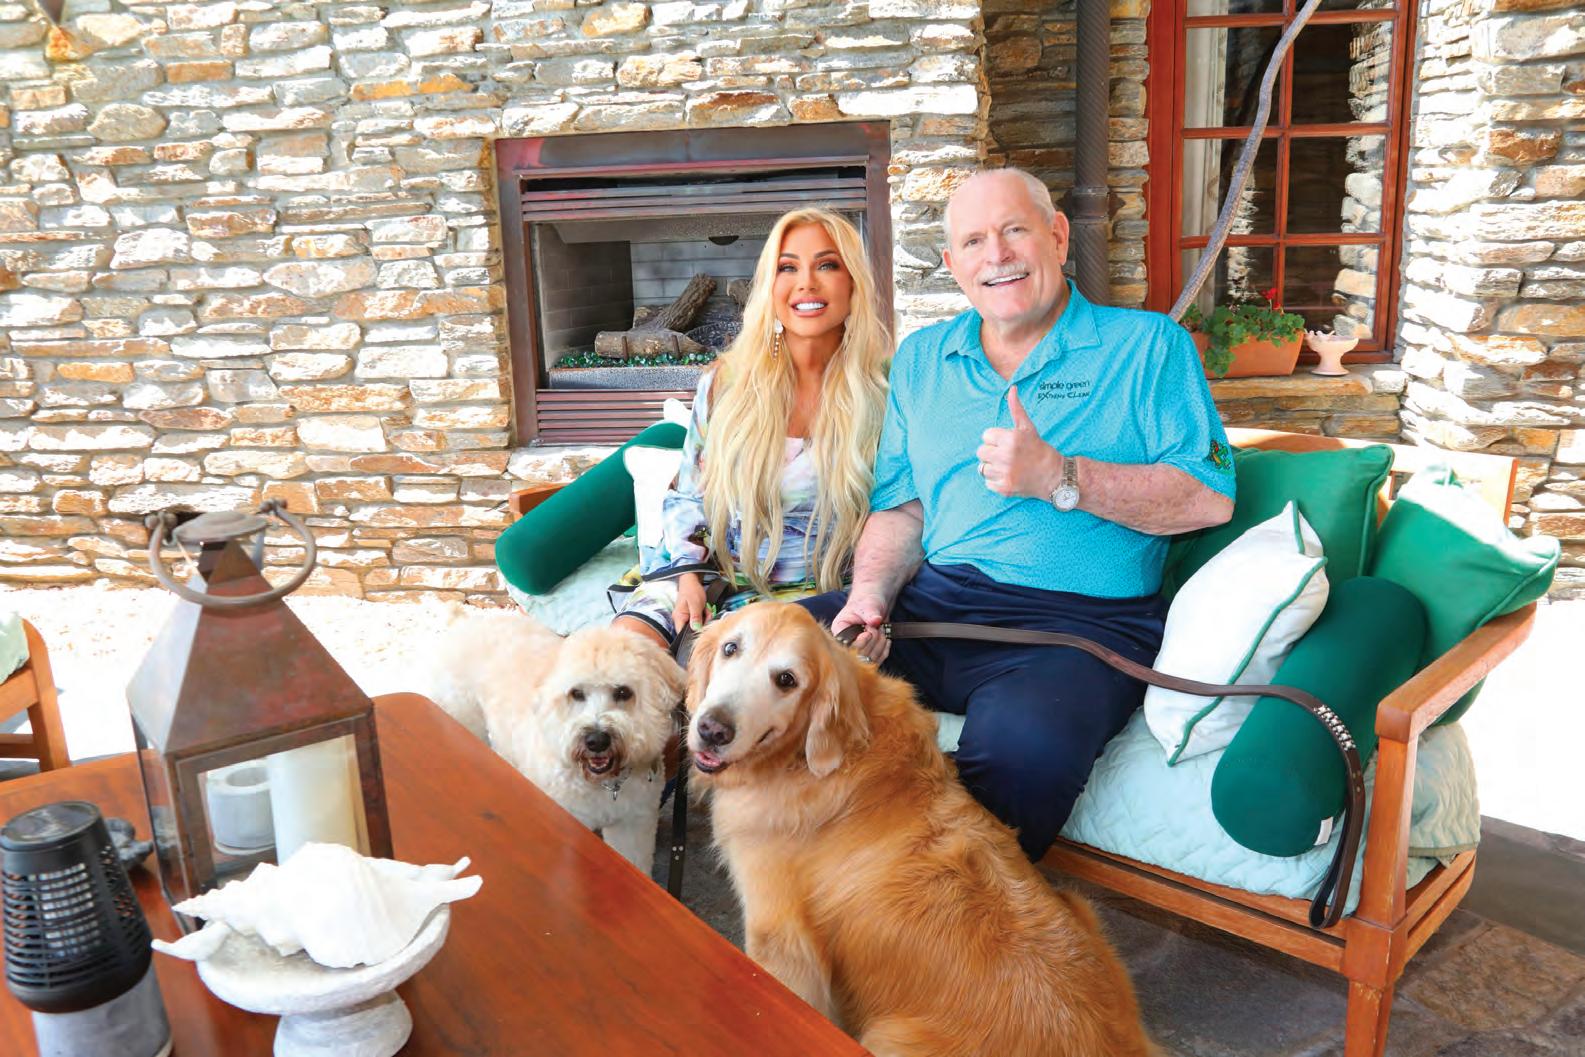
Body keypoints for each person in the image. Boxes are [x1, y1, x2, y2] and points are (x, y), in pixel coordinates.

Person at [800, 168, 1236, 861]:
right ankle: (810, 875)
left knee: (1020, 759)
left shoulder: (1148, 346)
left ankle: (937, 917)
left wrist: (1062, 477)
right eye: (974, 241)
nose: (996, 255)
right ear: (952, 265)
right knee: (757, 653)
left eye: (1013, 231)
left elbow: (1207, 496)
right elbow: (902, 505)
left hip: (1078, 627)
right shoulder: (922, 358)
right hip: (934, 605)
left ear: (1057, 237)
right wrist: (868, 599)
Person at [612, 208, 891, 650]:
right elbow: (690, 494)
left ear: (853, 282)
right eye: (787, 267)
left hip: (809, 596)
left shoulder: (885, 393)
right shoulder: (726, 383)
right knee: (623, 654)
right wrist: (688, 578)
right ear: (769, 286)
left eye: (826, 265)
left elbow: (898, 516)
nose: (806, 283)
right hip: (707, 573)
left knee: (747, 669)